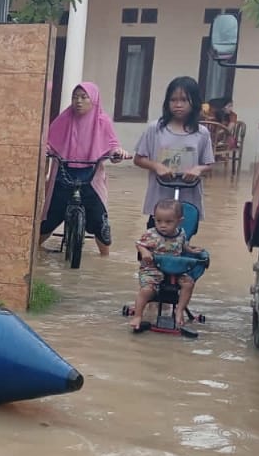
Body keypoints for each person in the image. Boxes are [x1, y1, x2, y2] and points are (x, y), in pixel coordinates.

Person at [38, 82, 130, 256]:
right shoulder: (64, 118)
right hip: (64, 172)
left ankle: (104, 258)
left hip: (91, 175)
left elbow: (112, 146)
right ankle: (34, 250)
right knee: (50, 216)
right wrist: (46, 150)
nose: (78, 101)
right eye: (75, 97)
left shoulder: (103, 121)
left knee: (99, 219)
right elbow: (50, 142)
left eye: (83, 97)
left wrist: (118, 153)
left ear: (93, 99)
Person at [133, 76, 215, 226]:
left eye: (184, 100)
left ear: (194, 102)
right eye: (173, 100)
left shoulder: (202, 133)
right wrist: (157, 166)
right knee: (152, 242)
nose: (178, 105)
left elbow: (209, 165)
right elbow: (138, 159)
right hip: (159, 203)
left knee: (182, 243)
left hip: (188, 203)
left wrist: (198, 169)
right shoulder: (155, 129)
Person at [131, 198, 204, 335]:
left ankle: (179, 310)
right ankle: (138, 315)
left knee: (188, 283)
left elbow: (183, 246)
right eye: (159, 221)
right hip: (153, 269)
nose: (163, 225)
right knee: (146, 290)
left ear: (179, 221)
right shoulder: (151, 234)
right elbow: (139, 244)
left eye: (168, 222)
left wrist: (191, 250)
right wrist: (145, 251)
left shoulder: (181, 233)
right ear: (154, 219)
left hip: (175, 271)